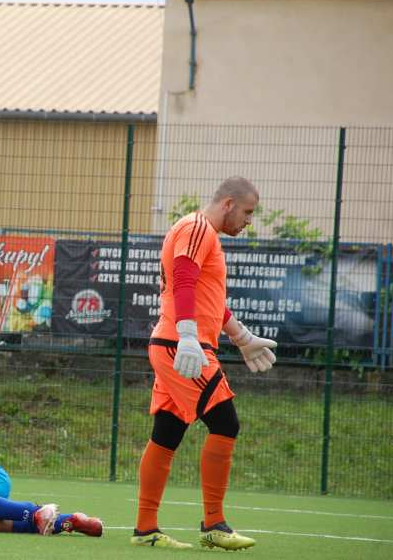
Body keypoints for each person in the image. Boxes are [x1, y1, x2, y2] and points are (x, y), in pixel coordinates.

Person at [131, 177, 277, 550]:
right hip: (180, 346)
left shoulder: (200, 233)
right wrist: (189, 335)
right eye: (247, 212)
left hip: (178, 344)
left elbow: (207, 295)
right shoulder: (197, 227)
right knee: (226, 421)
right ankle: (214, 524)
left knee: (167, 434)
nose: (248, 221)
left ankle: (145, 530)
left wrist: (241, 337)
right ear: (228, 203)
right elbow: (182, 278)